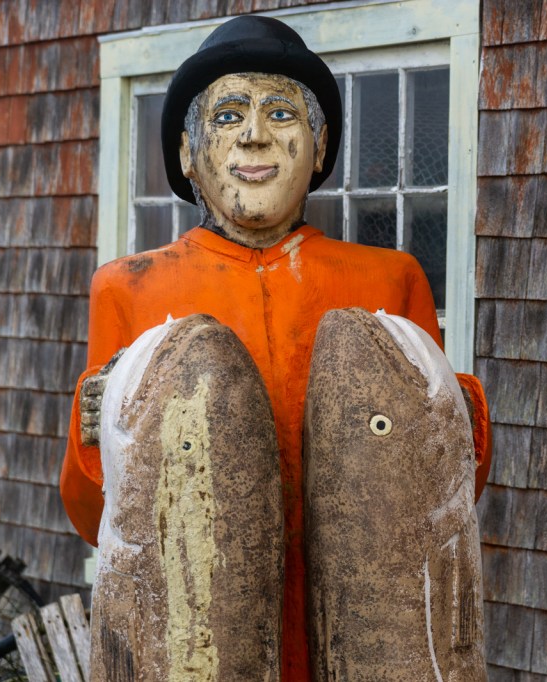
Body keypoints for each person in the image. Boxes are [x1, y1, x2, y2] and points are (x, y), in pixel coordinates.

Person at [59, 15, 490, 681]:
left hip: (366, 638)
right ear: (186, 151)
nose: (255, 133)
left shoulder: (387, 280)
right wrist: (96, 436)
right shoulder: (129, 288)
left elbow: (439, 495)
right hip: (197, 638)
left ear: (318, 148)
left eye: (281, 112)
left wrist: (457, 416)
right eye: (228, 114)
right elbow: (96, 516)